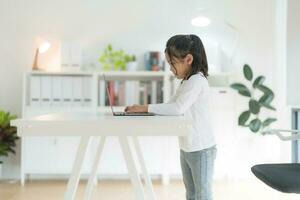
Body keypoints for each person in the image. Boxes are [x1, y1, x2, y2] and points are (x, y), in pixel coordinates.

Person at [125, 34, 217, 200]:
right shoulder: (187, 82)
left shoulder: (197, 81)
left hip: (201, 148)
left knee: (203, 195)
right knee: (191, 193)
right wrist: (144, 110)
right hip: (188, 146)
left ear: (188, 59)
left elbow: (177, 108)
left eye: (172, 63)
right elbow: (170, 105)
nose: (170, 69)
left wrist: (145, 107)